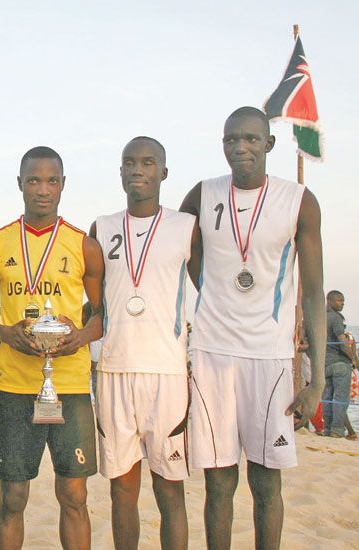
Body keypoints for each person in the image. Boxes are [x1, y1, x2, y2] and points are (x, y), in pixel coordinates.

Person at [179, 106, 326, 550]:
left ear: (269, 143)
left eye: (250, 138)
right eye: (231, 139)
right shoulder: (203, 194)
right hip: (212, 353)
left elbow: (314, 293)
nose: (240, 147)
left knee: (266, 483)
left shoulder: (298, 200)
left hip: (270, 356)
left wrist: (317, 380)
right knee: (218, 483)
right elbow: (182, 250)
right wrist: (212, 289)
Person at [0, 146, 104, 549]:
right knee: (13, 497)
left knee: (74, 496)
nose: (42, 189)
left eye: (51, 181)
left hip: (71, 387)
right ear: (20, 184)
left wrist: (80, 336)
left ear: (63, 185)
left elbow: (102, 315)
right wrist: (5, 333)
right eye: (33, 180)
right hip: (16, 387)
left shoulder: (84, 245)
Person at [91, 137, 196, 550]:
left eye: (148, 162)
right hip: (113, 370)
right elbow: (94, 303)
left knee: (169, 489)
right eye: (130, 162)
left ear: (164, 172)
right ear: (120, 172)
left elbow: (212, 290)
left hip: (167, 374)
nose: (138, 169)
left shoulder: (186, 227)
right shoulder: (102, 227)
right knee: (121, 490)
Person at [322, 290, 359, 437]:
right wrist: (353, 359)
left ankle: (327, 429)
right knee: (341, 399)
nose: (342, 304)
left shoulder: (321, 317)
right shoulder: (336, 318)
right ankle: (337, 431)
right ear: (329, 301)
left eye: (343, 301)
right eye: (338, 300)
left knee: (327, 397)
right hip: (340, 363)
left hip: (325, 363)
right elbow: (342, 342)